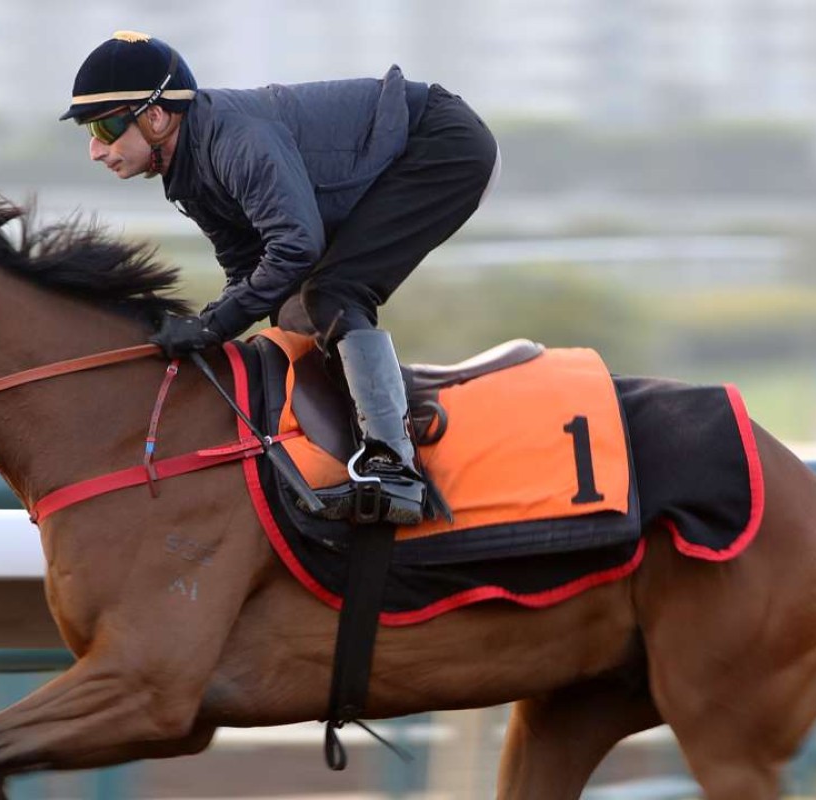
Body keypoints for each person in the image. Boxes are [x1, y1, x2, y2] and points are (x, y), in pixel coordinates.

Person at [61, 31, 500, 525]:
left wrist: (212, 327)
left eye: (103, 129)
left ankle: (395, 469)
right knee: (291, 310)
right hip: (410, 150)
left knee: (331, 293)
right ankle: (341, 453)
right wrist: (205, 327)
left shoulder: (235, 141)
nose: (96, 151)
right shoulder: (187, 173)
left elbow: (296, 246)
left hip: (443, 143)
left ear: (157, 116)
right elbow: (248, 273)